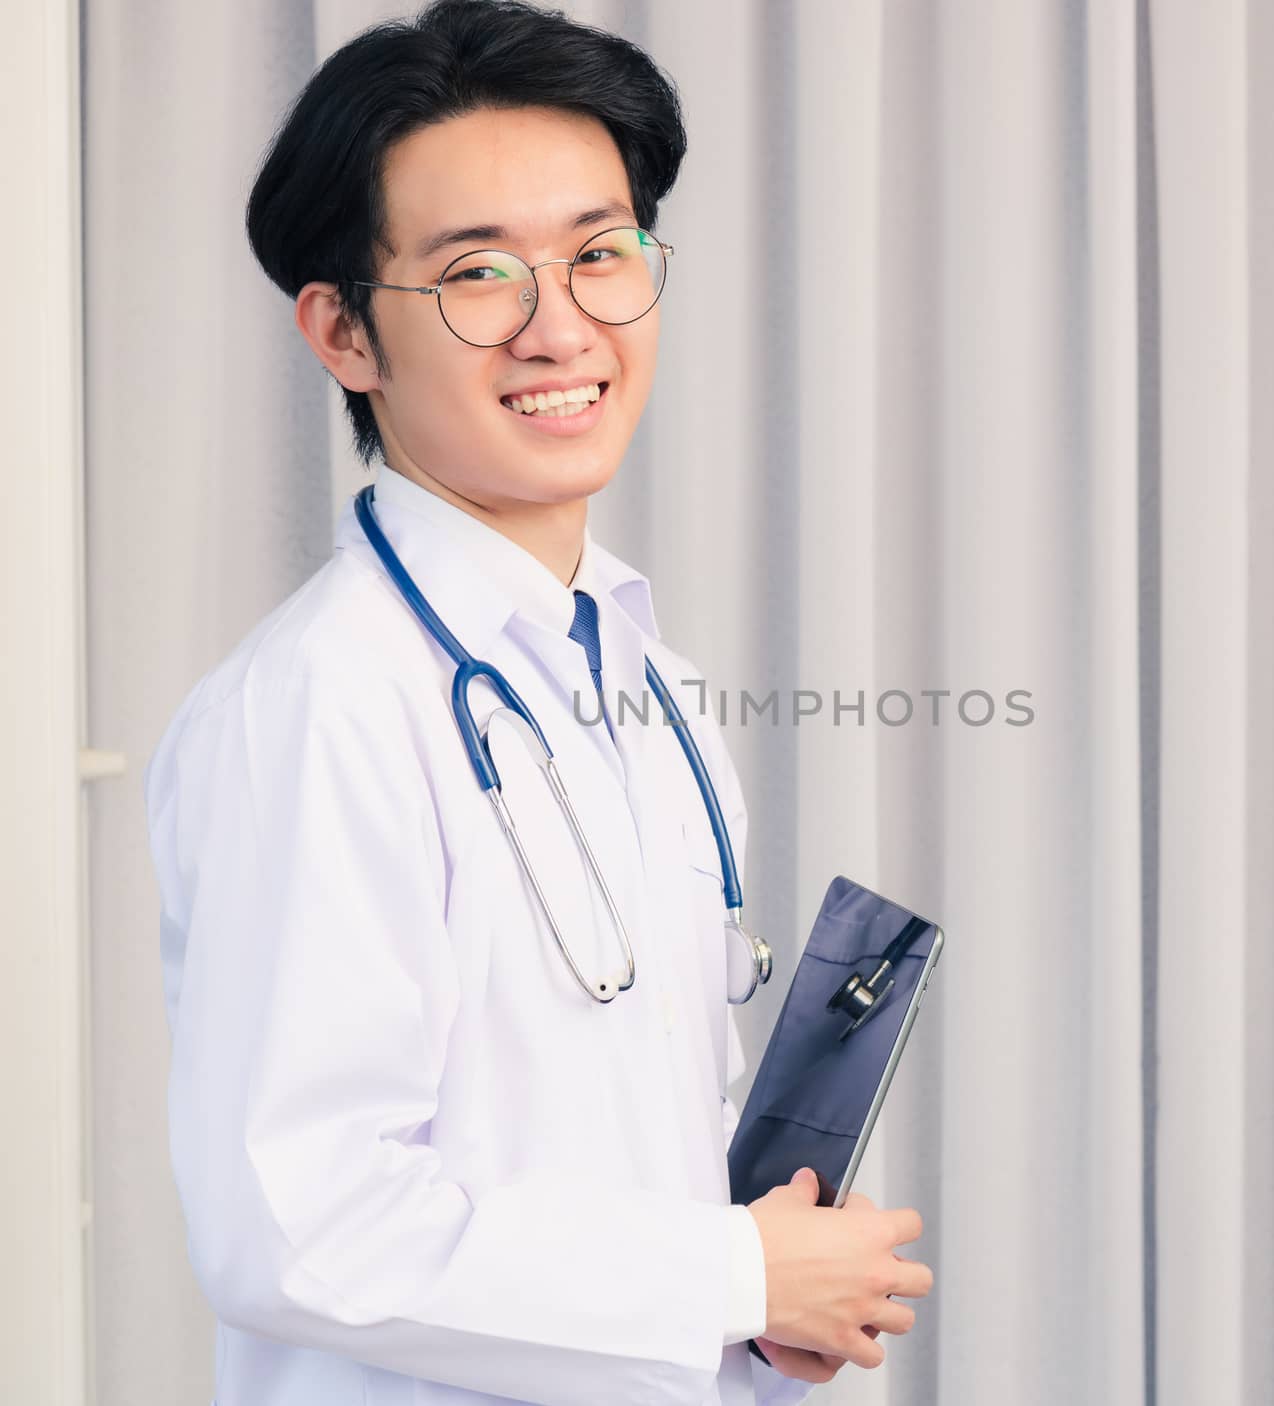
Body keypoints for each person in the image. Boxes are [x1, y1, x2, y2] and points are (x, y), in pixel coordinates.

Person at [142, 3, 932, 1403]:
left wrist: (753, 1298)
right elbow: (299, 1225)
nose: (561, 325)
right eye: (479, 274)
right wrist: (731, 1275)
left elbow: (617, 1132)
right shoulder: (320, 705)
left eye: (599, 253)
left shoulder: (639, 675)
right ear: (342, 332)